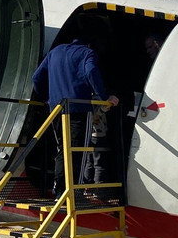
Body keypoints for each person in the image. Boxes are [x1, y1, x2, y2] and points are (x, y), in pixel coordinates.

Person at [32, 38, 119, 199]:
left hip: (56, 109)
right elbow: (91, 71)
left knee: (62, 149)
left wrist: (46, 98)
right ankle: (74, 192)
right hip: (79, 109)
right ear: (88, 44)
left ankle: (59, 190)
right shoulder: (87, 53)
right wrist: (103, 96)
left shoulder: (55, 52)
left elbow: (36, 77)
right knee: (79, 151)